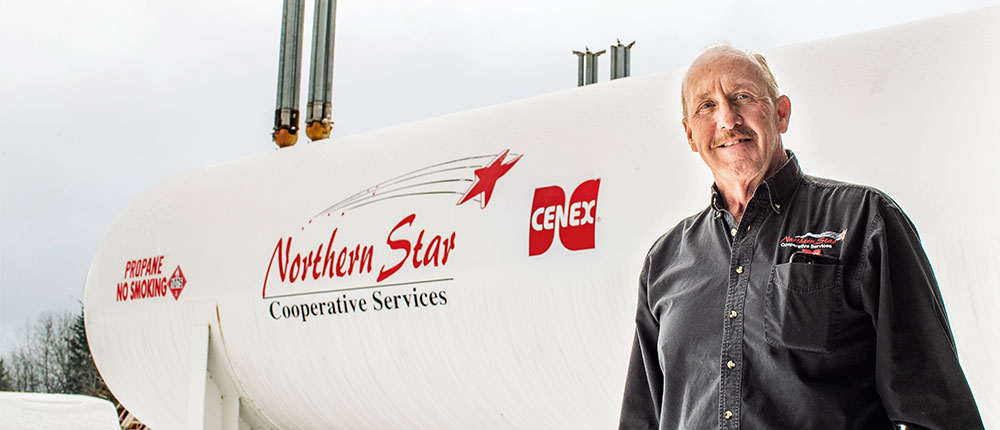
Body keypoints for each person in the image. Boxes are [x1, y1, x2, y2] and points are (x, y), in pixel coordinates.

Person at [618, 45, 983, 430]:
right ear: (690, 135)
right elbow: (642, 419)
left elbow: (936, 412)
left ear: (781, 112)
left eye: (742, 97)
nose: (727, 118)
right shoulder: (665, 261)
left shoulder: (863, 221)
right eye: (706, 106)